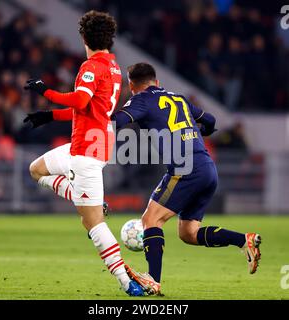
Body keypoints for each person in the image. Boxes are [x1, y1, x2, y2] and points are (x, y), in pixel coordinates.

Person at [111, 63, 261, 295]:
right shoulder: (178, 98)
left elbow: (118, 122)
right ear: (157, 82)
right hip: (207, 168)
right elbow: (210, 120)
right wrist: (202, 132)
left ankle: (152, 279)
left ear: (131, 85)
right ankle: (244, 240)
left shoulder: (139, 100)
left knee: (151, 220)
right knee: (188, 233)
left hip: (185, 170)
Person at [23, 11, 144, 296]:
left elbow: (80, 99)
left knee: (91, 222)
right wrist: (50, 116)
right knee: (36, 169)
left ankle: (127, 282)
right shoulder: (113, 67)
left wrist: (46, 91)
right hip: (89, 143)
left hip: (87, 151)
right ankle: (87, 199)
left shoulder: (92, 66)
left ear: (84, 38)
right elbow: (88, 108)